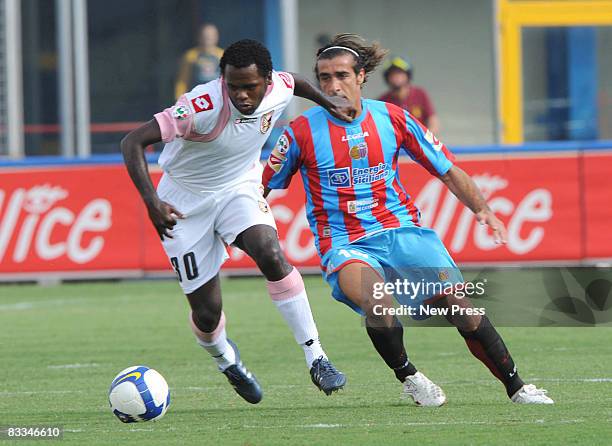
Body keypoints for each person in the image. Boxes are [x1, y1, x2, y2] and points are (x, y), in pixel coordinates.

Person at [262, 34, 553, 406]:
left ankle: (518, 387)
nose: (332, 85)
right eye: (324, 78)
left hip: (402, 231)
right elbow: (261, 187)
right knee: (378, 302)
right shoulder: (300, 131)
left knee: (460, 307)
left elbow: (446, 169)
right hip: (344, 242)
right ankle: (410, 377)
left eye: (341, 76)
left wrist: (482, 209)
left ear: (361, 76)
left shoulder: (392, 118)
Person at [121, 39, 354, 405]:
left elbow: (297, 81)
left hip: (238, 188)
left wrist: (329, 103)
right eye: (234, 87)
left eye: (250, 87)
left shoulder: (280, 86)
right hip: (183, 203)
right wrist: (152, 201)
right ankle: (226, 361)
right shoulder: (200, 106)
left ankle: (317, 357)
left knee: (270, 253)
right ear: (223, 81)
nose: (242, 96)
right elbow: (132, 142)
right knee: (207, 313)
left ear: (267, 79)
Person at [378, 55, 440, 134]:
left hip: (420, 142)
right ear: (387, 77)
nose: (396, 77)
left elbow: (433, 120)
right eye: (392, 74)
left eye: (400, 73)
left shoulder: (420, 94)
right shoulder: (382, 102)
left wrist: (427, 139)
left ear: (408, 75)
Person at [175, 23, 224, 99]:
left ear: (216, 37)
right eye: (205, 36)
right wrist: (179, 99)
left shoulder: (222, 56)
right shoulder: (191, 56)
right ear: (199, 37)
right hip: (196, 99)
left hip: (217, 100)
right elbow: (183, 80)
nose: (208, 39)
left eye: (211, 36)